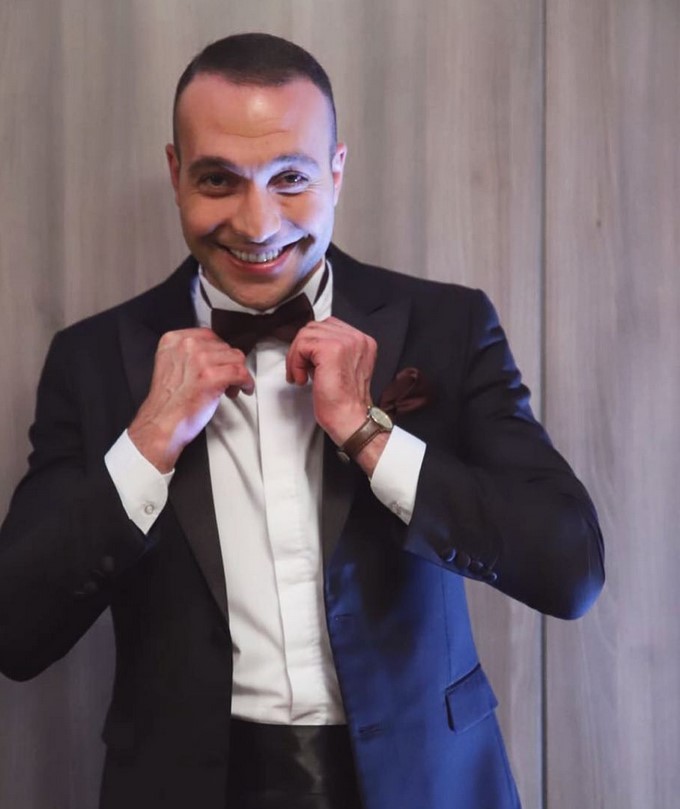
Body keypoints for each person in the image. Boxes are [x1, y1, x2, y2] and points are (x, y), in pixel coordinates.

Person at [0, 32, 604, 809]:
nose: (258, 225)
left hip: (425, 783)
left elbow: (569, 569)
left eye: (290, 178)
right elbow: (16, 631)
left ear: (336, 171)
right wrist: (147, 442)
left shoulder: (449, 327)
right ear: (176, 174)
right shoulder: (91, 359)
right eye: (219, 179)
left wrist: (370, 434)